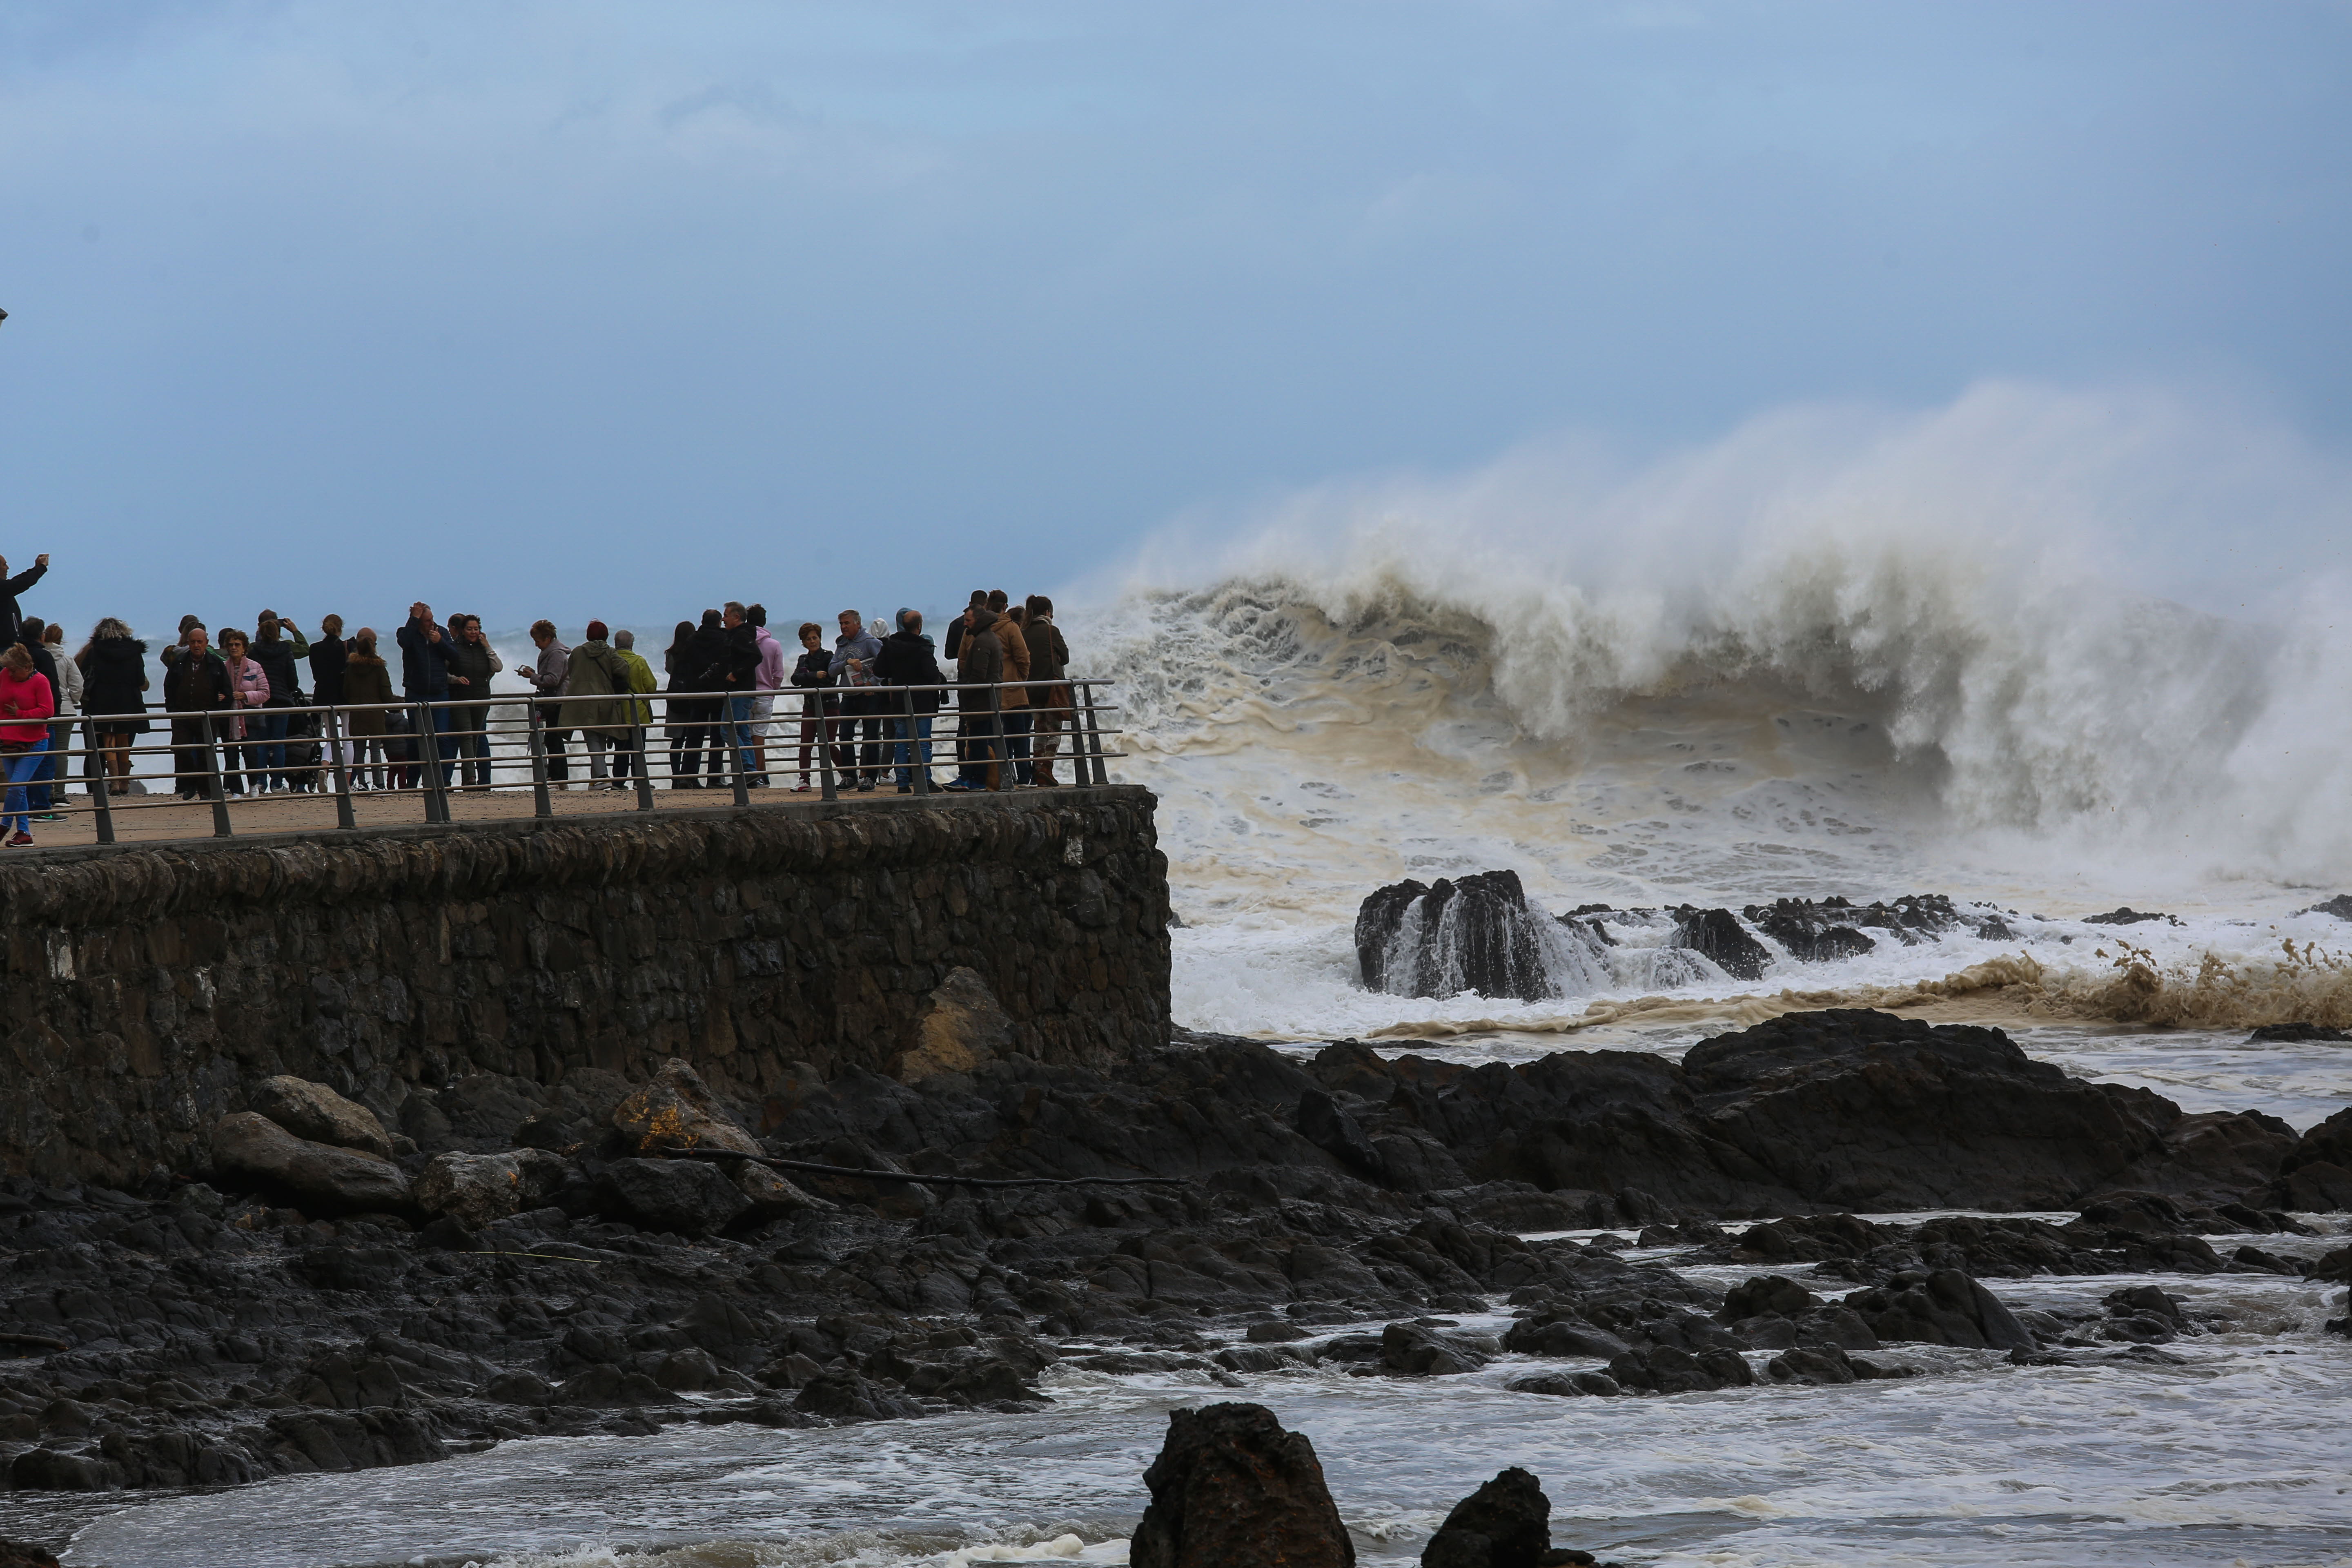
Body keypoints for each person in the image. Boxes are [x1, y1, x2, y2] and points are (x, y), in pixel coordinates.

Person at [873, 608, 946, 793]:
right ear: (919, 626)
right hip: (922, 702)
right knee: (922, 743)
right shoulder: (923, 648)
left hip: (899, 700)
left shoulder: (891, 645)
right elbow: (932, 675)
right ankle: (926, 782)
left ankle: (903, 785)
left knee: (902, 742)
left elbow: (879, 670)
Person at [78, 619, 149, 797]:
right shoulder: (134, 652)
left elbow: (84, 675)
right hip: (129, 701)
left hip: (103, 701)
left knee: (108, 739)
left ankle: (115, 783)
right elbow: (140, 679)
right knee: (124, 740)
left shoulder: (96, 651)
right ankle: (125, 782)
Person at [162, 624, 232, 800]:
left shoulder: (216, 663)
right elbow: (169, 686)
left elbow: (227, 691)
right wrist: (172, 709)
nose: (196, 645)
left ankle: (205, 792)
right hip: (182, 716)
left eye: (200, 642)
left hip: (207, 717)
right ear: (188, 643)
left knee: (205, 754)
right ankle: (190, 783)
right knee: (181, 749)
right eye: (193, 642)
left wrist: (219, 712)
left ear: (206, 643)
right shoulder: (179, 662)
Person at [564, 621, 634, 788]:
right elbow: (624, 669)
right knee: (600, 737)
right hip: (605, 700)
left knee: (592, 738)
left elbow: (571, 671)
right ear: (606, 636)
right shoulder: (610, 652)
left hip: (582, 700)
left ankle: (602, 777)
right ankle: (597, 780)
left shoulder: (578, 652)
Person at [945, 603, 1006, 791]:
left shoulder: (982, 641)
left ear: (978, 621)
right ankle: (974, 779)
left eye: (968, 620)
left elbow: (979, 676)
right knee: (979, 740)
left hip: (981, 701)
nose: (965, 624)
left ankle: (977, 781)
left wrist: (964, 689)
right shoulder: (989, 638)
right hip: (988, 699)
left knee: (978, 742)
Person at [0, 642, 54, 845]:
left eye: (14, 670)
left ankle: (4, 825)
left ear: (27, 667)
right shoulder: (5, 675)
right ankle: (24, 833)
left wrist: (21, 714)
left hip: (34, 742)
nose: (10, 674)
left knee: (15, 787)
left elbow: (47, 711)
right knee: (18, 789)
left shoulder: (40, 681)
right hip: (8, 741)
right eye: (8, 670)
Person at [396, 602, 455, 788]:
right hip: (416, 692)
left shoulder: (442, 633)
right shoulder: (408, 632)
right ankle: (412, 782)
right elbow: (404, 643)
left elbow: (455, 656)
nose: (432, 624)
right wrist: (413, 620)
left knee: (442, 738)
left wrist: (441, 643)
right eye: (427, 621)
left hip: (439, 692)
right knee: (417, 739)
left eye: (432, 620)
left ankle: (444, 781)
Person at [249, 610, 310, 791]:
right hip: (282, 701)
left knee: (261, 744)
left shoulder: (253, 650)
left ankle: (260, 782)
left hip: (261, 701)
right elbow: (294, 678)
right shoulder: (286, 649)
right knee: (279, 743)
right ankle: (277, 783)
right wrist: (295, 630)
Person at [443, 615, 503, 789]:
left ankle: (469, 778)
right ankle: (470, 776)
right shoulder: (454, 648)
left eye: (476, 629)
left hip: (481, 697)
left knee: (476, 737)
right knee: (466, 735)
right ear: (463, 630)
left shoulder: (483, 649)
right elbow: (442, 673)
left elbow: (498, 667)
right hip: (460, 698)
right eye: (470, 629)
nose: (473, 632)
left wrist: (487, 646)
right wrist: (455, 679)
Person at [828, 609, 884, 791]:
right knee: (845, 737)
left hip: (869, 697)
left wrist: (873, 683)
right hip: (848, 696)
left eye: (847, 623)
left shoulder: (870, 642)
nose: (843, 627)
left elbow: (884, 666)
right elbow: (831, 670)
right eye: (841, 624)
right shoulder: (842, 645)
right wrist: (847, 662)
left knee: (871, 738)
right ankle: (850, 777)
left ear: (858, 624)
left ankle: (870, 778)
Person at [706, 602, 763, 783]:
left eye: (726, 615)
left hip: (740, 691)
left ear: (736, 618)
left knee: (727, 730)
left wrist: (736, 673)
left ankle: (748, 769)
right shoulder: (737, 635)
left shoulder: (741, 635)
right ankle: (752, 772)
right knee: (743, 732)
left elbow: (756, 656)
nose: (723, 619)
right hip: (741, 691)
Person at [15, 620, 67, 817]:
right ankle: (42, 807)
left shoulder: (14, 656)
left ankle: (23, 806)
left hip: (16, 718)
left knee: (19, 761)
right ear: (42, 636)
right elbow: (53, 687)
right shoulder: (43, 656)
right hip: (42, 717)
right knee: (45, 761)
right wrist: (55, 714)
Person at [1022, 594, 1074, 788]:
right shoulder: (1052, 631)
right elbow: (1066, 657)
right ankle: (1047, 769)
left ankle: (1038, 771)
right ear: (1047, 613)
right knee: (1054, 730)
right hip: (1052, 690)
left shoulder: (1023, 632)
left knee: (1040, 730)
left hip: (1030, 689)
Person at [517, 620, 572, 785]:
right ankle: (559, 778)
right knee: (553, 739)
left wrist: (532, 677)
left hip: (557, 700)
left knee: (553, 740)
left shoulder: (556, 654)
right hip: (556, 700)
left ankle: (557, 777)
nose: (536, 645)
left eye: (538, 641)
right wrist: (535, 675)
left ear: (548, 639)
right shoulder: (554, 652)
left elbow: (553, 679)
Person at [340, 630, 397, 788]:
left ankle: (362, 782)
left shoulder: (351, 668)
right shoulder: (379, 668)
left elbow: (346, 691)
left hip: (357, 713)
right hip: (375, 713)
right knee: (375, 749)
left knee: (359, 749)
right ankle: (378, 783)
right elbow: (386, 693)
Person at [217, 629, 271, 795]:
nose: (234, 648)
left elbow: (265, 693)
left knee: (251, 753)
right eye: (231, 645)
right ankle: (236, 790)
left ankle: (254, 785)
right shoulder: (222, 667)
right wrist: (219, 697)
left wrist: (245, 696)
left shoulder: (255, 667)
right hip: (229, 717)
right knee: (231, 755)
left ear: (244, 648)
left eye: (237, 645)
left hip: (250, 716)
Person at [991, 595, 1034, 786]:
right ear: (1005, 607)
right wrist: (1021, 679)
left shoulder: (980, 628)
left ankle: (1003, 774)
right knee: (1020, 735)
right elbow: (1023, 657)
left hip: (991, 690)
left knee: (1000, 736)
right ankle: (1024, 776)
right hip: (1013, 690)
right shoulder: (1011, 628)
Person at [788, 621, 833, 791]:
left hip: (829, 705)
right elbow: (795, 680)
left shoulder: (829, 657)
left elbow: (831, 680)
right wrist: (815, 675)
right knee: (805, 743)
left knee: (828, 744)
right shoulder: (803, 660)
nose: (813, 641)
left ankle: (848, 775)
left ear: (820, 639)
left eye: (815, 638)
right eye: (809, 639)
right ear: (804, 642)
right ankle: (804, 780)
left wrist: (808, 677)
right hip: (809, 706)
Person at [611, 628, 658, 786]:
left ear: (615, 644)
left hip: (616, 712)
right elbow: (651, 686)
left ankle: (618, 782)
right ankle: (639, 781)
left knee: (620, 749)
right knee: (638, 749)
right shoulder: (639, 661)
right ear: (632, 644)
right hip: (638, 711)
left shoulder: (610, 661)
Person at [310, 615, 352, 779]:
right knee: (347, 738)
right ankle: (346, 781)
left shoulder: (315, 648)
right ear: (341, 627)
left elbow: (316, 675)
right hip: (344, 695)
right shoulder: (347, 647)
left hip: (324, 694)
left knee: (330, 737)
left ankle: (325, 769)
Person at [747, 604, 784, 782]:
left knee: (746, 737)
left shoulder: (744, 641)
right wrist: (773, 690)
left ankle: (756, 775)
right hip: (765, 695)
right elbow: (779, 674)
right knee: (759, 737)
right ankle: (760, 776)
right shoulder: (774, 645)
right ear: (765, 621)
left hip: (745, 694)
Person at [0, 552, 49, 650]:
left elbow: (16, 582)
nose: (8, 568)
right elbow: (20, 583)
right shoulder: (4, 589)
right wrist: (41, 568)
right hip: (4, 649)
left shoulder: (5, 590)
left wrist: (36, 568)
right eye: (4, 565)